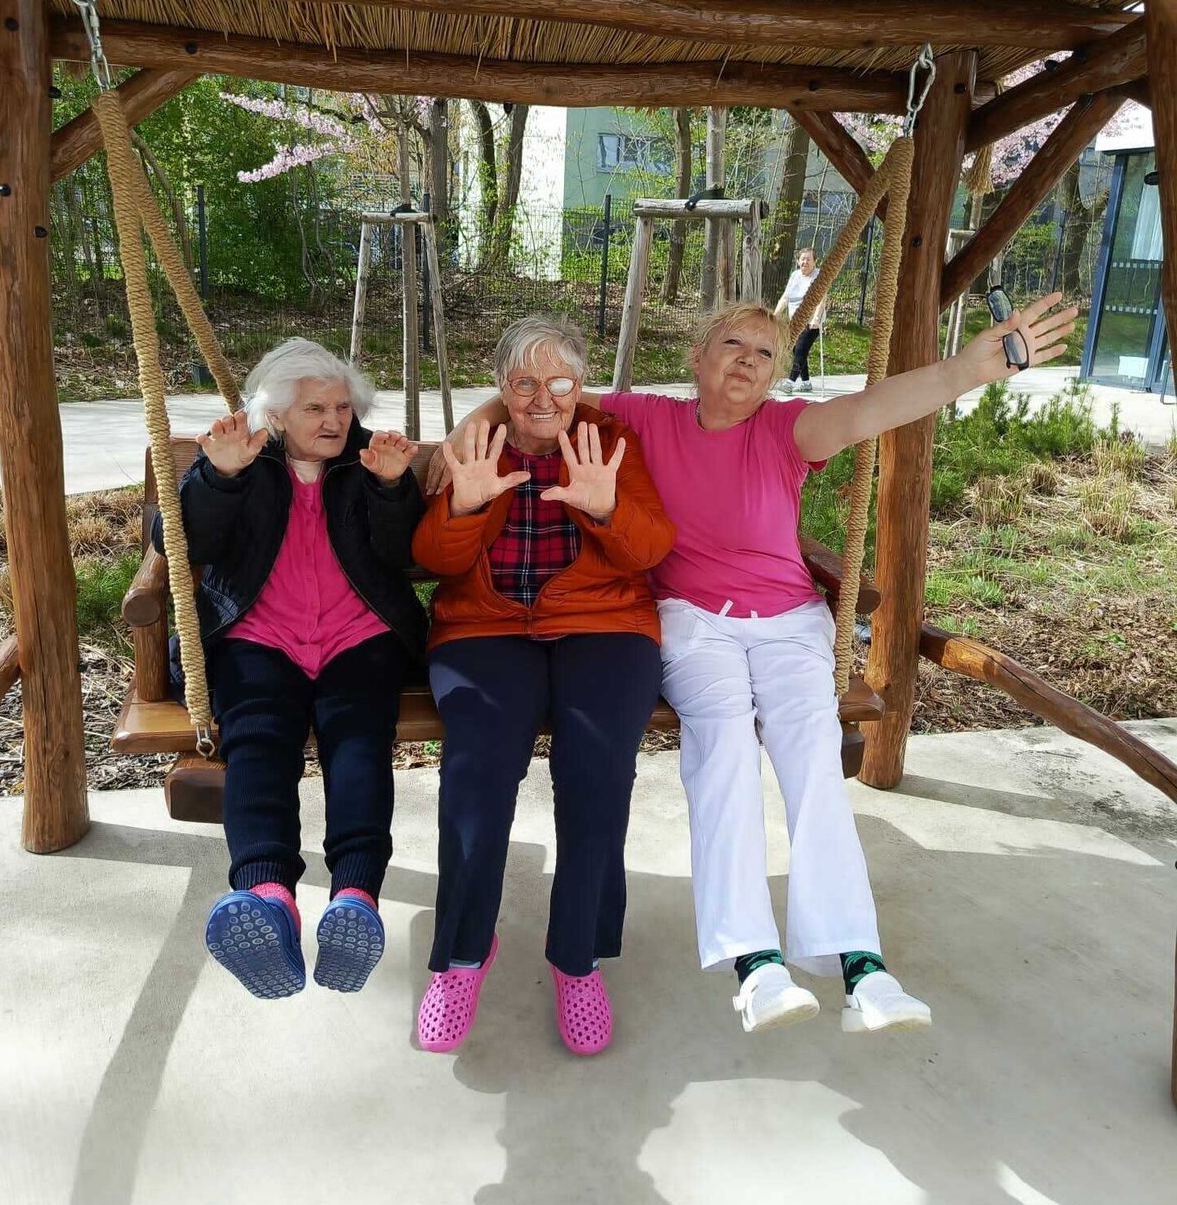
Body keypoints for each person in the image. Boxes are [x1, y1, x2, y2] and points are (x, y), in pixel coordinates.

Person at [431, 293, 1075, 1036]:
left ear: (774, 375)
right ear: (697, 359)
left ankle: (863, 965)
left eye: (765, 353)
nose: (747, 361)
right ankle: (755, 964)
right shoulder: (649, 418)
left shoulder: (786, 430)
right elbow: (540, 392)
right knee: (725, 749)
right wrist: (468, 431)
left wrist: (967, 370)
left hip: (789, 624)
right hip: (694, 623)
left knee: (812, 756)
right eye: (732, 344)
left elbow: (873, 408)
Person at [413, 314, 675, 1057]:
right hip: (485, 626)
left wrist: (604, 505)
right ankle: (463, 955)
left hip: (605, 623)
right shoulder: (478, 443)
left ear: (580, 383)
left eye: (559, 381)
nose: (542, 398)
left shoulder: (609, 441)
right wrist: (464, 504)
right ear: (501, 385)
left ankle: (577, 958)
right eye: (524, 381)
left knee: (597, 771)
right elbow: (434, 559)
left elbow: (651, 547)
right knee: (477, 770)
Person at [155, 338, 427, 1000]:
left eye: (341, 407)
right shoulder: (242, 459)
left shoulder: (368, 461)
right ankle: (268, 897)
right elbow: (179, 542)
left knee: (358, 742)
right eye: (314, 409)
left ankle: (354, 900)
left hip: (357, 636)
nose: (333, 421)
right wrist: (219, 478)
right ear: (276, 415)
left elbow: (405, 553)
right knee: (257, 740)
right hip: (260, 636)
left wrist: (393, 488)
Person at [775, 247, 824, 391]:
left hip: (810, 322)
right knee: (797, 351)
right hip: (795, 322)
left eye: (808, 259)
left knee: (800, 350)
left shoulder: (819, 276)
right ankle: (806, 383)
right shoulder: (795, 275)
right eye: (802, 259)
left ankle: (789, 383)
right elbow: (785, 298)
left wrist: (816, 318)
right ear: (798, 261)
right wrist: (774, 315)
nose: (805, 262)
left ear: (814, 261)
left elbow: (822, 299)